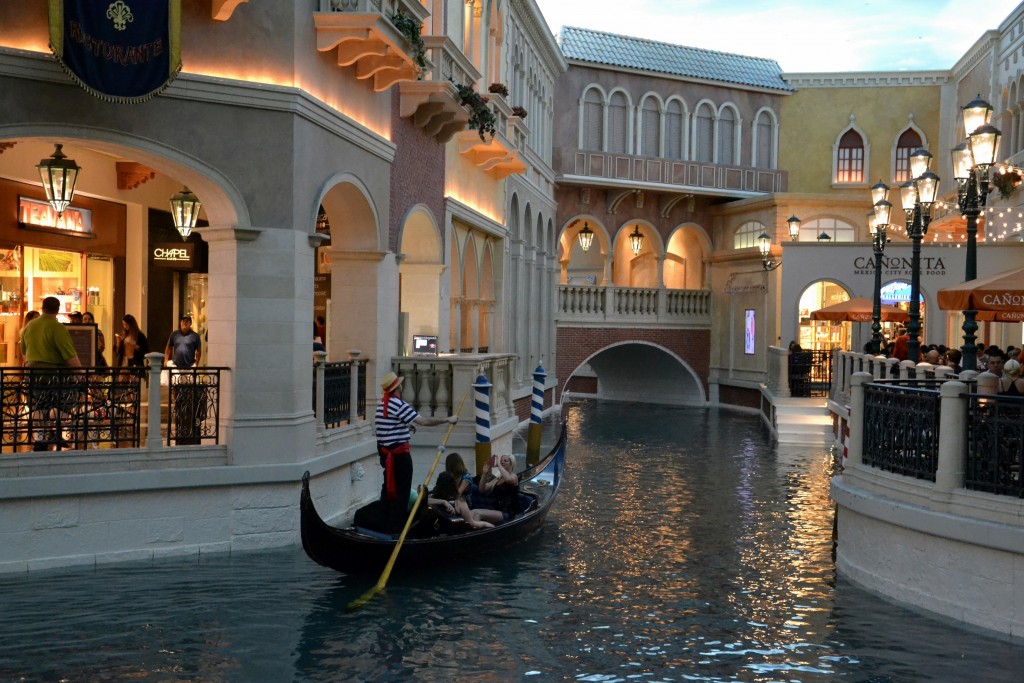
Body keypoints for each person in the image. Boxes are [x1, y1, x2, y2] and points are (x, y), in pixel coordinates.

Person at [375, 371, 458, 532]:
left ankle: (384, 525)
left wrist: (406, 426)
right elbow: (424, 421)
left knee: (387, 491)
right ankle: (396, 530)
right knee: (402, 493)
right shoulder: (398, 404)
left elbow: (386, 428)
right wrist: (447, 419)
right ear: (398, 387)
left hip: (386, 456)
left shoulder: (381, 406)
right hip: (400, 458)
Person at [19, 297, 83, 450]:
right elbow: (70, 356)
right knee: (61, 406)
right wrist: (81, 374)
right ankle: (56, 434)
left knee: (38, 408)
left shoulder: (29, 326)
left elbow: (23, 351)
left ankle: (40, 439)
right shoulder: (57, 328)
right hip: (53, 376)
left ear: (42, 308)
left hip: (33, 374)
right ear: (58, 309)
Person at [430, 471, 498, 529]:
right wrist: (486, 524)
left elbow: (424, 499)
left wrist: (443, 502)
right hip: (458, 532)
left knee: (474, 513)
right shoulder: (460, 501)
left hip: (441, 529)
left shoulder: (433, 498)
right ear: (453, 484)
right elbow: (472, 524)